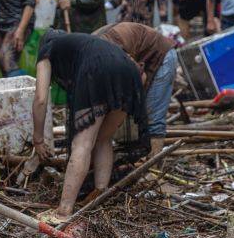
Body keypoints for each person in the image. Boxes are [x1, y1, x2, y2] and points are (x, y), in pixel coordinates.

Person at [31, 30, 147, 223]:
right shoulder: (80, 42)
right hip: (130, 73)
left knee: (82, 144)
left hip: (96, 70)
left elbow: (41, 99)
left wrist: (38, 138)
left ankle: (63, 212)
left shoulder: (47, 49)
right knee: (103, 138)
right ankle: (100, 193)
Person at [95, 22, 177, 156]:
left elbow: (141, 77)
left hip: (161, 57)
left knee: (153, 118)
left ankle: (153, 169)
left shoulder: (112, 52)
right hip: (137, 56)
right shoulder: (92, 54)